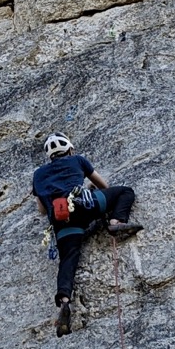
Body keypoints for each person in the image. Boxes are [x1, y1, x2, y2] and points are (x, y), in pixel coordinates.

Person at [32, 133, 141, 336]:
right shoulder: (77, 160)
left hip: (62, 220)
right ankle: (116, 223)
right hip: (85, 206)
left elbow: (41, 210)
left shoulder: (38, 175)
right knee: (125, 192)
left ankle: (64, 301)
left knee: (68, 259)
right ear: (70, 149)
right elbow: (104, 186)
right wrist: (91, 188)